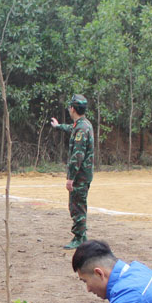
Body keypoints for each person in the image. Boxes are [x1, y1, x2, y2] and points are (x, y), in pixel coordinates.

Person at [50, 94, 95, 249]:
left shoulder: (81, 129)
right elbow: (71, 128)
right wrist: (58, 126)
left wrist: (70, 178)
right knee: (79, 205)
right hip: (84, 175)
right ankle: (81, 235)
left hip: (80, 176)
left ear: (73, 109)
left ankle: (79, 237)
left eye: (70, 107)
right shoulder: (83, 124)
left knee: (77, 207)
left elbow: (78, 155)